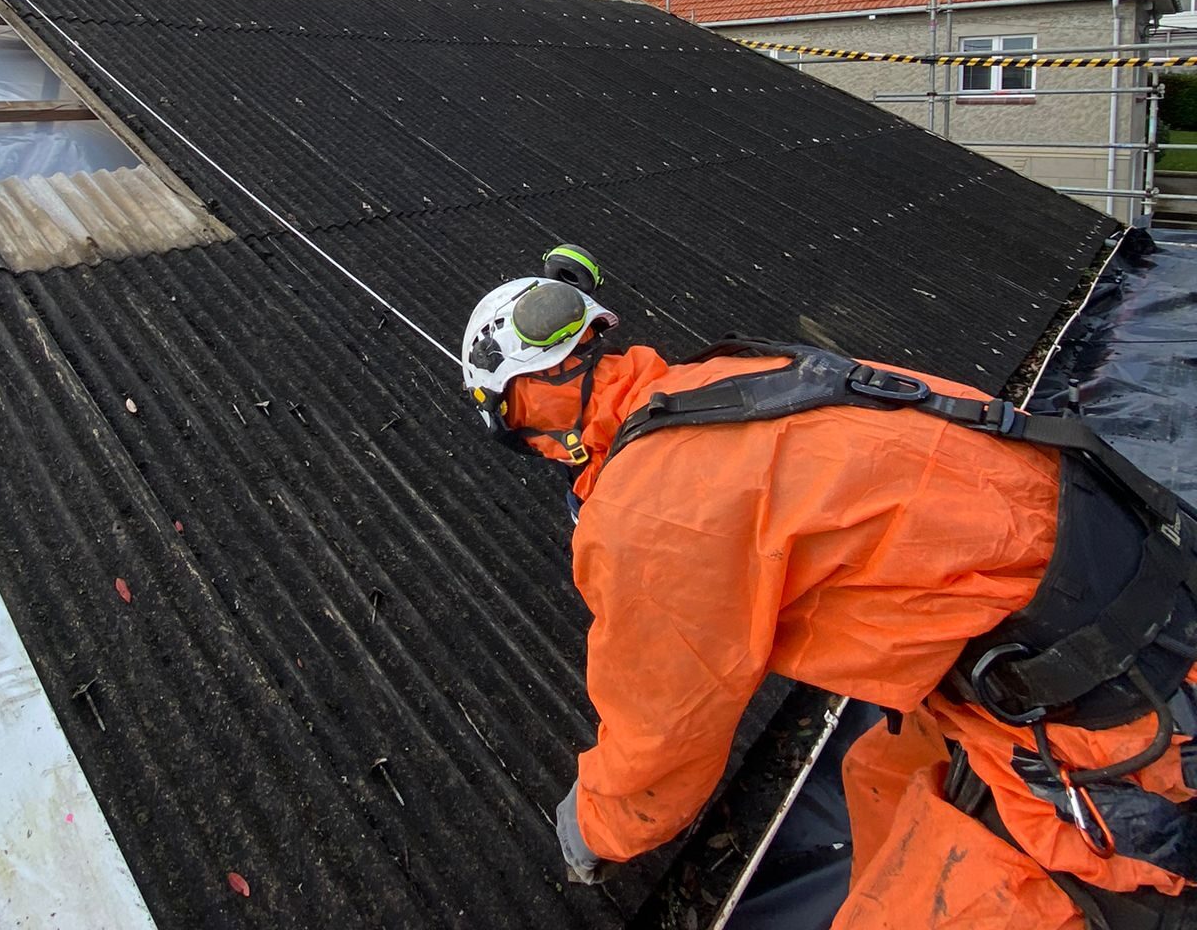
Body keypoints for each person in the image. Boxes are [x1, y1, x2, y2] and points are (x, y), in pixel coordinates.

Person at [462, 255, 1197, 929]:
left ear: (528, 417)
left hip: (1121, 726)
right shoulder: (734, 376)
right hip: (1138, 585)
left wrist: (594, 826)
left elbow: (664, 733)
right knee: (878, 771)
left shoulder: (646, 510)